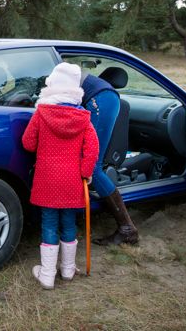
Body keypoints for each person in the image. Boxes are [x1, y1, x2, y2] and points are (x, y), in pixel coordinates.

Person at [22, 62, 99, 289]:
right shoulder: (83, 118)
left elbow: (28, 143)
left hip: (47, 179)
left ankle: (47, 274)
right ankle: (67, 270)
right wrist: (86, 173)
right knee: (68, 222)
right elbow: (92, 149)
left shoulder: (42, 113)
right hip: (72, 180)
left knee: (48, 223)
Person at [81, 71, 139, 245]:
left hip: (102, 99)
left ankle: (127, 229)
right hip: (97, 98)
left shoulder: (38, 67)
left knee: (92, 167)